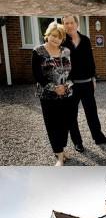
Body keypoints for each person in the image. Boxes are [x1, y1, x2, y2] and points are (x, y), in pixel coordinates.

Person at [62, 15, 106, 153]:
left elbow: (90, 60)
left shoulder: (85, 40)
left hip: (87, 83)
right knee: (71, 115)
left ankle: (98, 137)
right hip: (71, 85)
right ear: (63, 25)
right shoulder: (62, 42)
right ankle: (77, 142)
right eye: (66, 23)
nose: (69, 25)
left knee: (92, 112)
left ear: (77, 23)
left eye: (71, 22)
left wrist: (93, 78)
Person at [32, 21, 73, 166]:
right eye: (53, 36)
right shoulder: (38, 51)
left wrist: (66, 86)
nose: (56, 39)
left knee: (65, 124)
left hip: (66, 94)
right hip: (47, 95)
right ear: (47, 35)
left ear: (63, 39)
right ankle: (60, 157)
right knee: (52, 125)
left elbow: (71, 72)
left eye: (59, 37)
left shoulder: (66, 51)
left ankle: (61, 149)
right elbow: (37, 75)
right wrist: (54, 87)